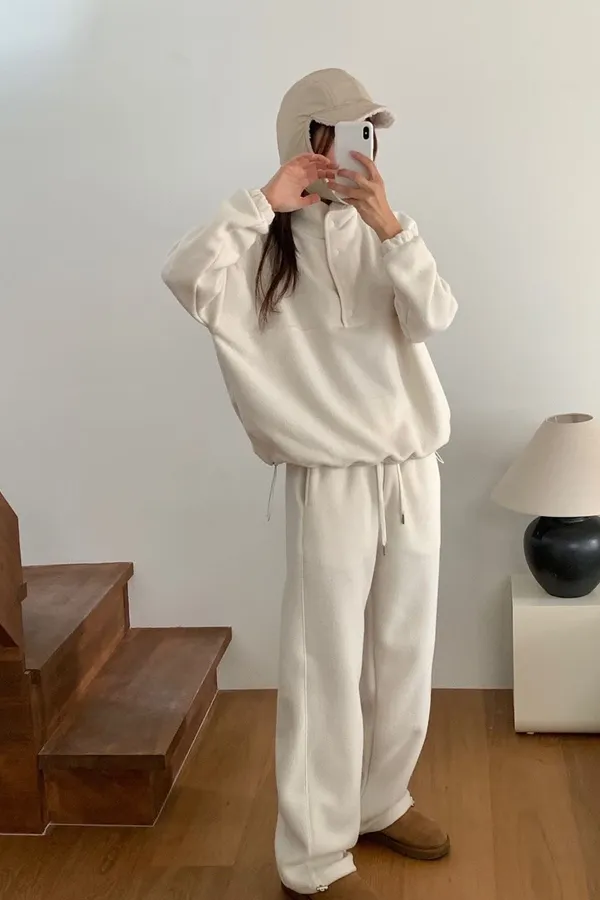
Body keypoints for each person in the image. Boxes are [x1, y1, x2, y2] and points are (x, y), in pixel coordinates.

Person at [162, 68, 457, 900]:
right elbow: (185, 276)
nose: (360, 148)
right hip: (329, 480)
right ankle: (313, 856)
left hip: (412, 469)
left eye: (371, 133)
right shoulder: (259, 247)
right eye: (344, 131)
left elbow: (435, 317)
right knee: (325, 662)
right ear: (307, 138)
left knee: (404, 655)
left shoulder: (386, 233)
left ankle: (380, 800)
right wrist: (266, 200)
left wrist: (393, 228)